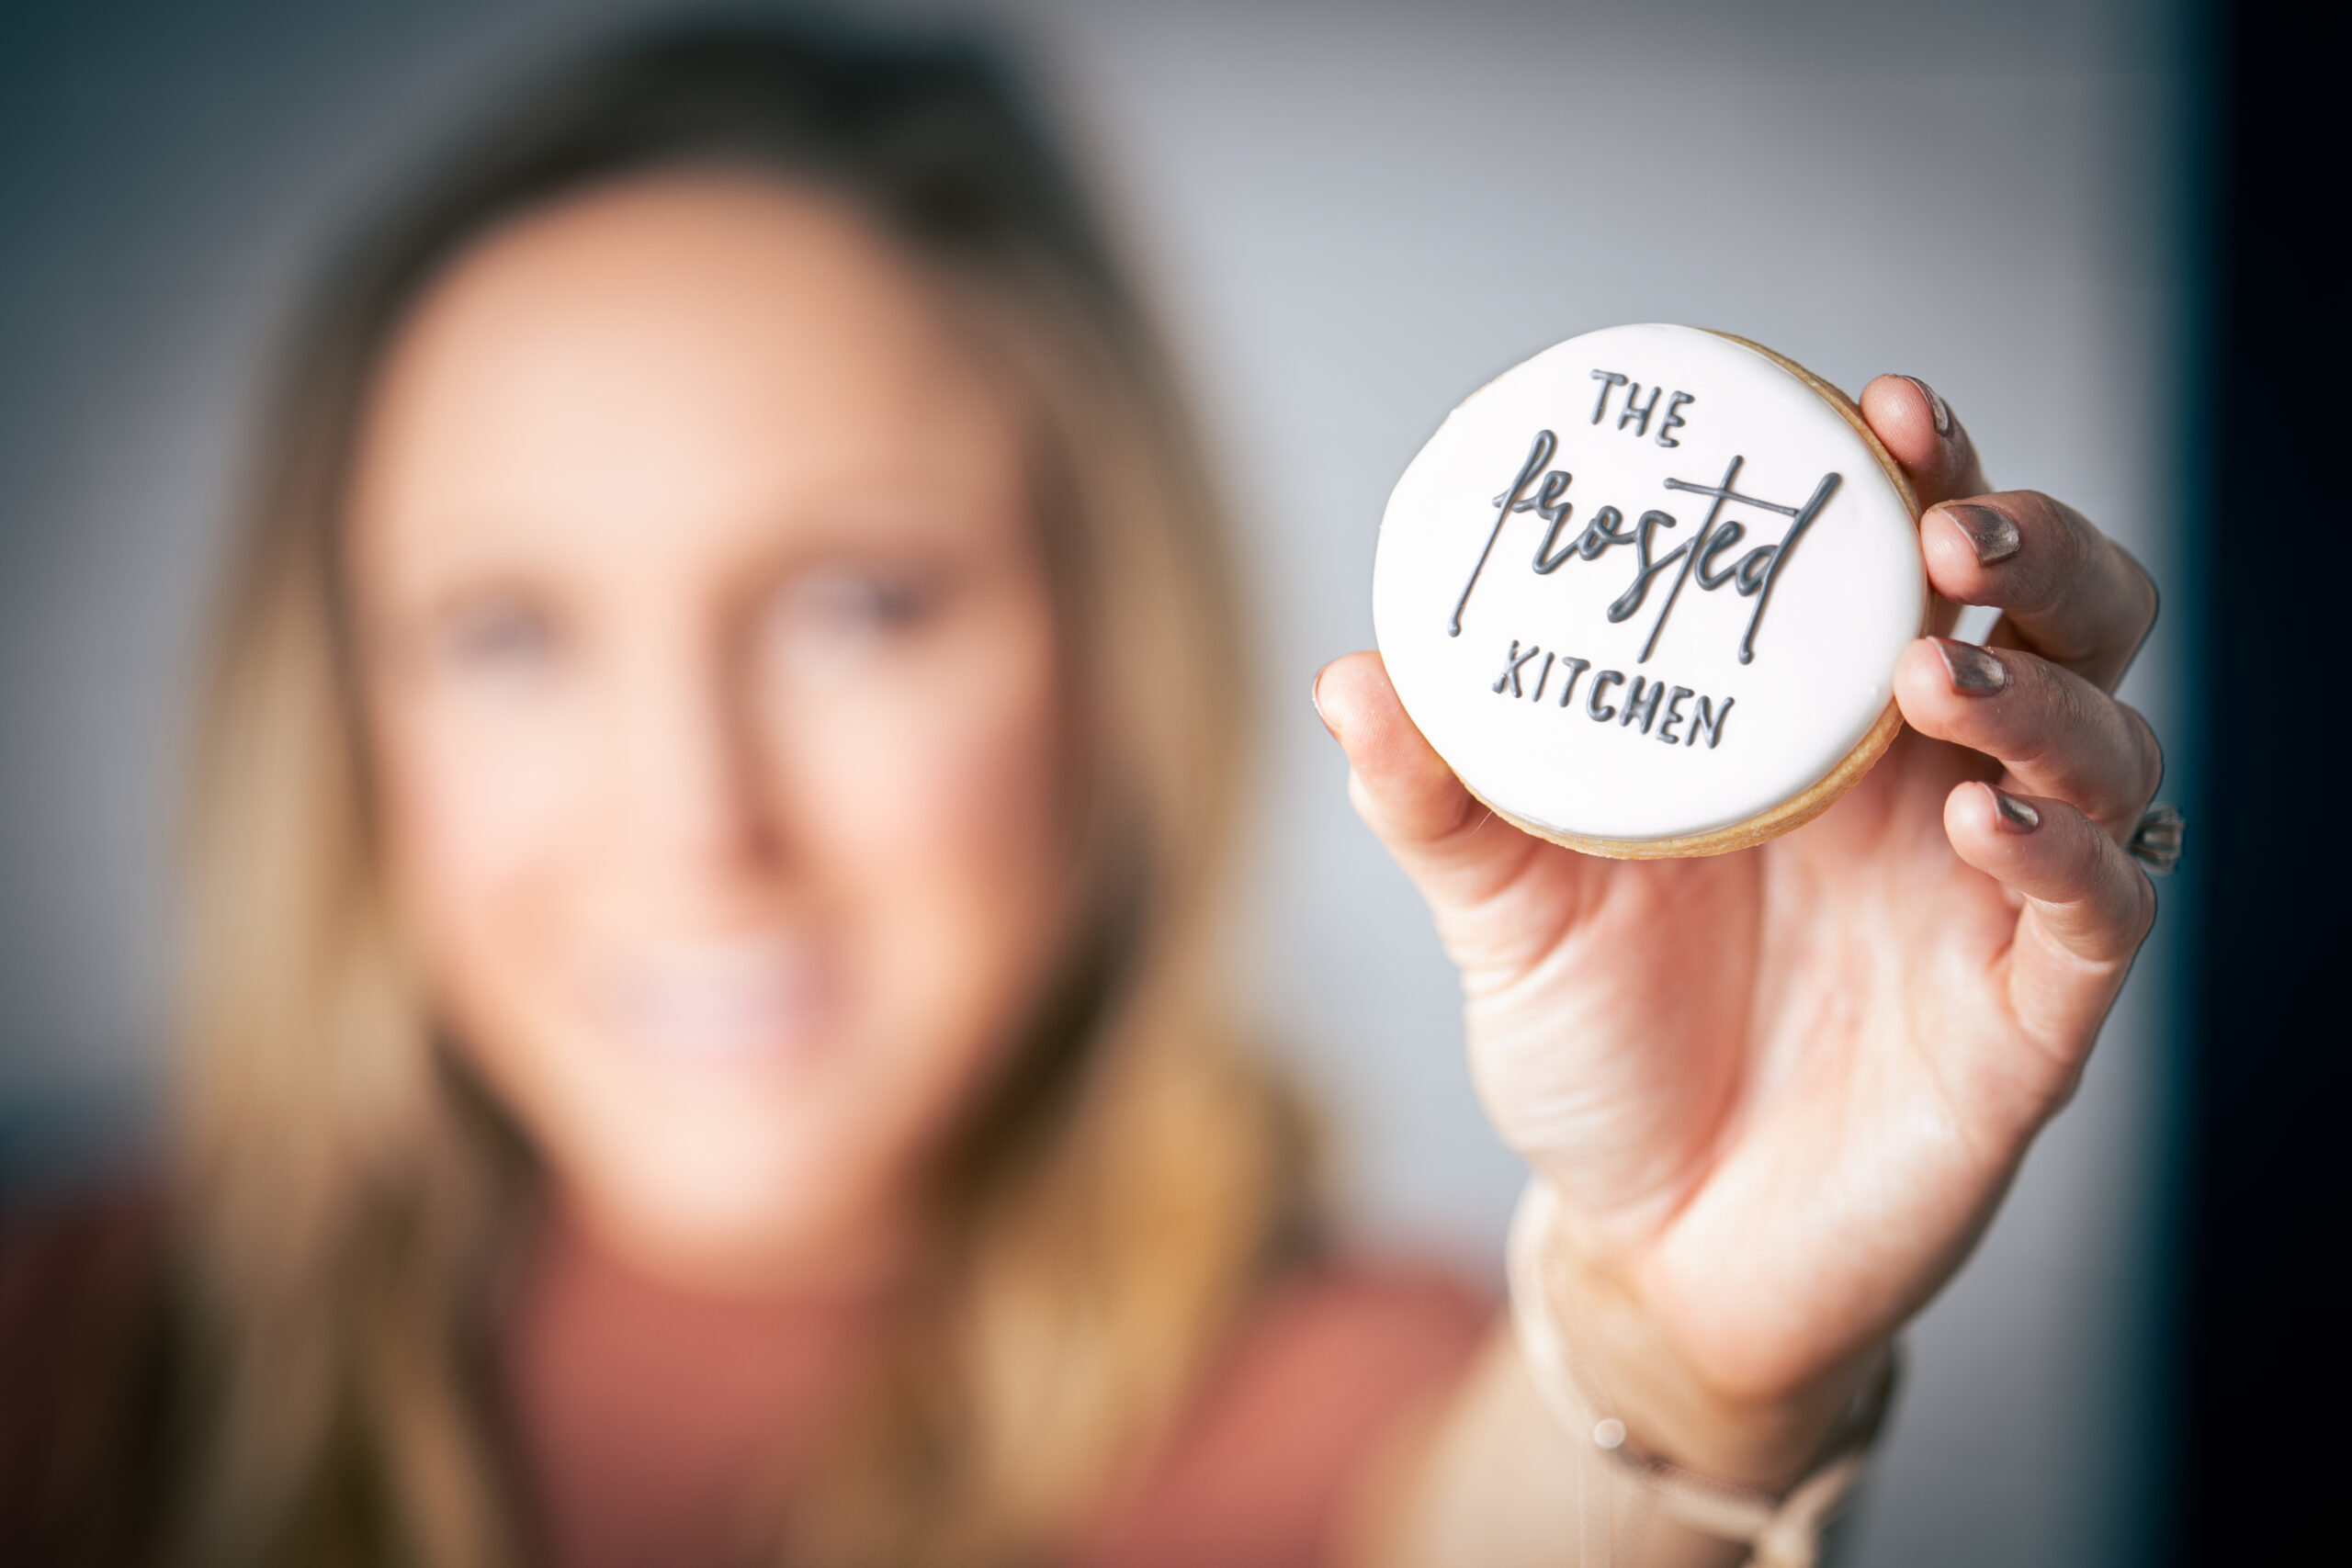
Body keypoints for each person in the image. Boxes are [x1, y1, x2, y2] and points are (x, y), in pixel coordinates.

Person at [0, 16, 2165, 1568]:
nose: (692, 818)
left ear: (1102, 658)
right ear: (342, 712)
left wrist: (1691, 1365)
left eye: (856, 603)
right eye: (507, 632)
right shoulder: (65, 1355)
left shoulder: (1367, 1420)